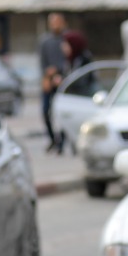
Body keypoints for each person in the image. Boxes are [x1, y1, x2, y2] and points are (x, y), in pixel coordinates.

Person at [39, 13, 72, 154]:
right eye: (53, 22)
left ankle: (62, 143)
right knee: (46, 112)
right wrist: (46, 78)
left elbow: (70, 62)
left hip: (63, 82)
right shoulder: (45, 41)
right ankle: (53, 139)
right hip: (49, 80)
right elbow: (42, 62)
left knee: (63, 113)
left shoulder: (67, 40)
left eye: (58, 21)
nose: (55, 24)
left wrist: (61, 75)